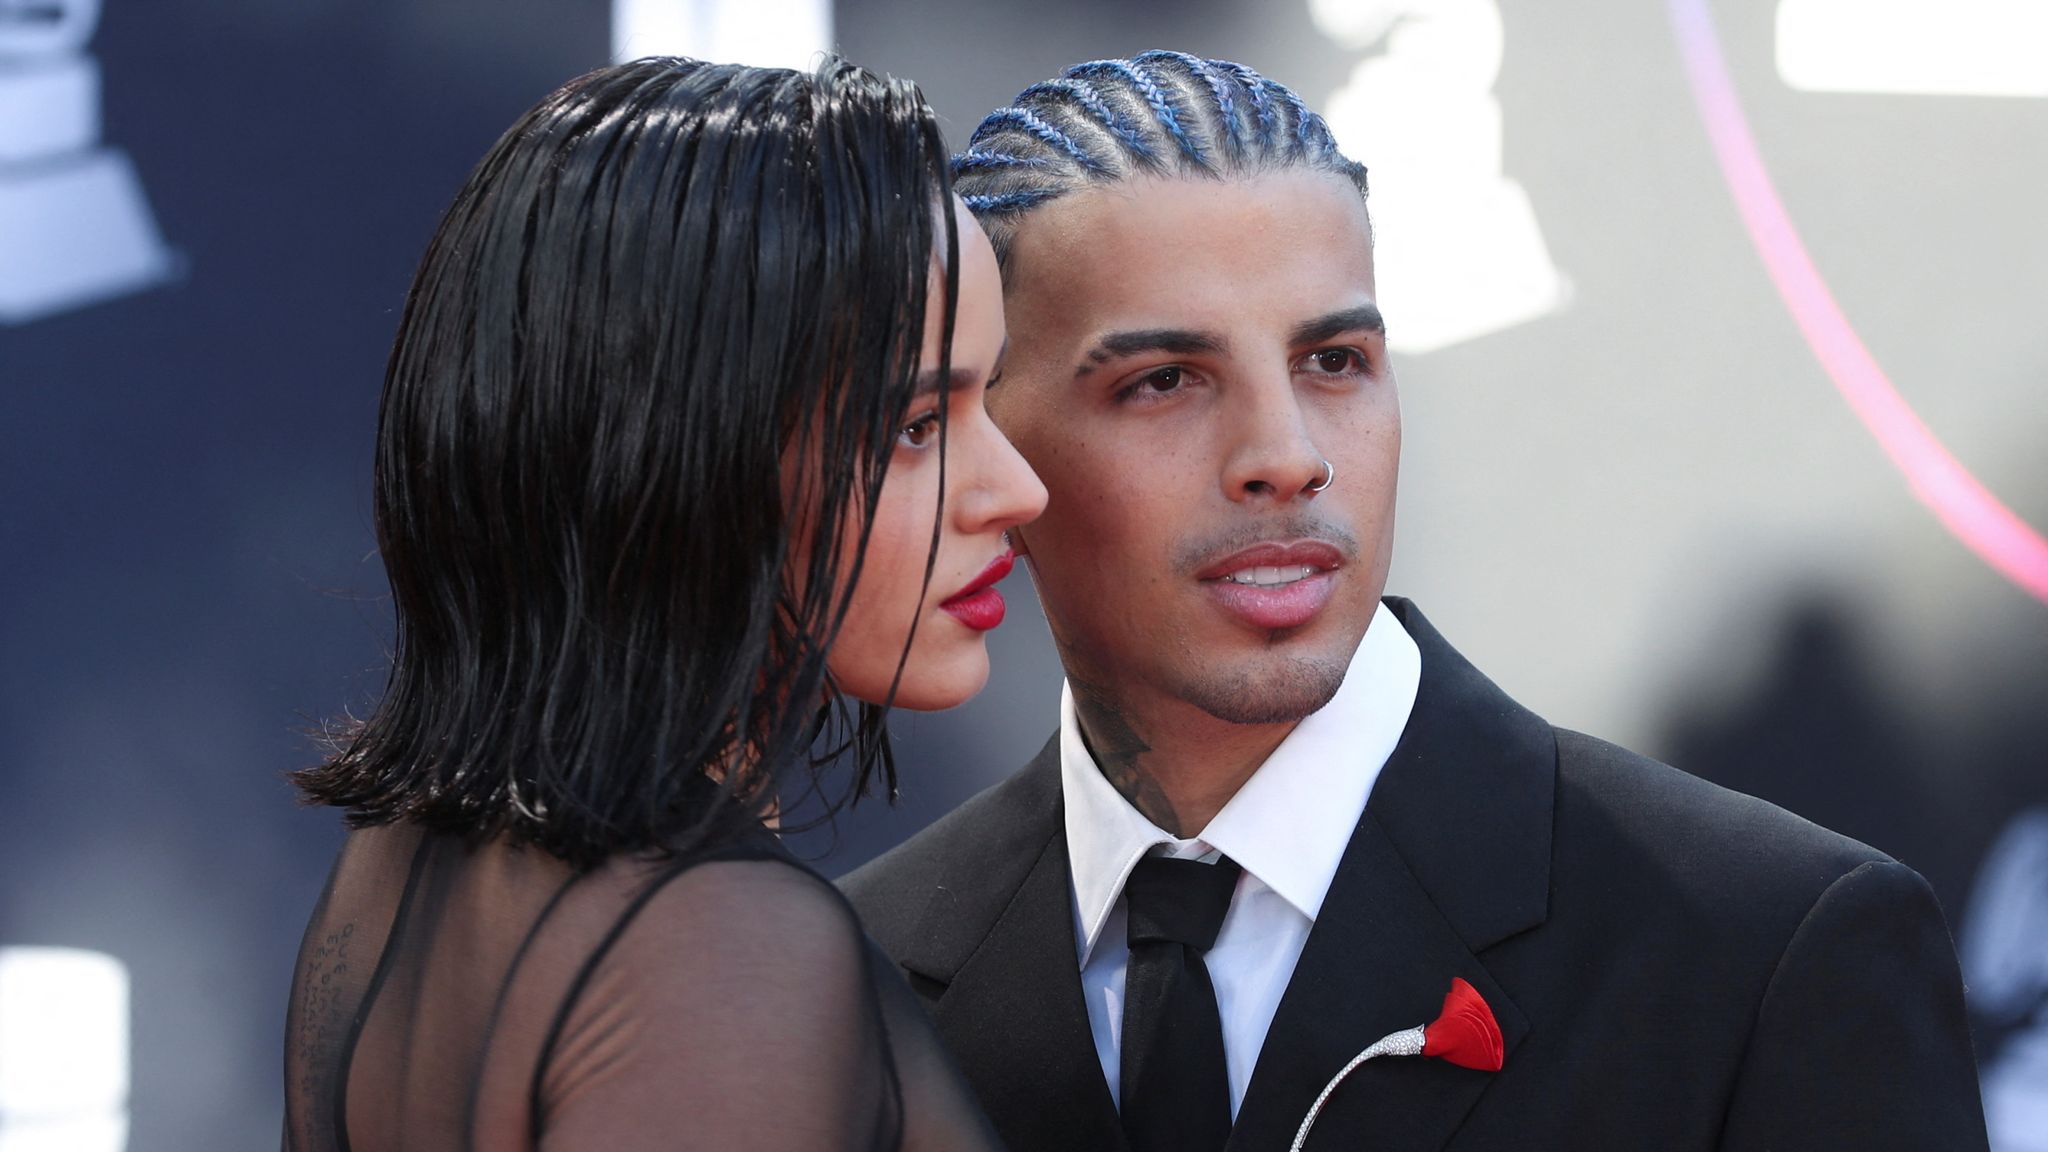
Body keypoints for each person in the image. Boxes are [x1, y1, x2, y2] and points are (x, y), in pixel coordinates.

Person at [843, 50, 1988, 1151]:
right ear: (986, 438)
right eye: (1164, 383)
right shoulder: (851, 976)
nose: (1284, 457)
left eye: (1332, 361)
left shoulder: (1770, 949)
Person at [282, 56, 1043, 1151]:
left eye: (991, 396)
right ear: (682, 461)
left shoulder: (409, 857)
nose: (1019, 489)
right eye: (915, 427)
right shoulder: (720, 946)